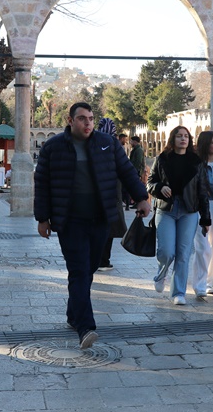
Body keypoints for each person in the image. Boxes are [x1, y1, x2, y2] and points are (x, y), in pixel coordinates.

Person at [35, 102, 150, 349]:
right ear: (70, 120)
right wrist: (42, 218)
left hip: (100, 219)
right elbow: (42, 183)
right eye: (82, 119)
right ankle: (86, 327)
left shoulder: (107, 143)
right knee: (78, 270)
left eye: (90, 118)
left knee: (88, 269)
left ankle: (73, 313)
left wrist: (141, 197)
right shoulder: (53, 147)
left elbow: (127, 171)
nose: (87, 123)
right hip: (69, 221)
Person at [149, 126, 211, 304]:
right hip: (166, 209)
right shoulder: (162, 158)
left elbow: (202, 191)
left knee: (183, 253)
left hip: (188, 211)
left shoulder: (196, 162)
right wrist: (160, 187)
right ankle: (161, 275)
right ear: (173, 139)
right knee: (167, 252)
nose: (183, 139)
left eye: (186, 136)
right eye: (179, 136)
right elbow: (150, 182)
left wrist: (205, 218)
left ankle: (178, 293)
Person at [192, 131, 213, 298]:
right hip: (201, 207)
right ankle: (199, 283)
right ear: (206, 144)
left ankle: (208, 283)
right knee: (202, 246)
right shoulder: (197, 164)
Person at [96, 118, 126, 271]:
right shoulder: (116, 147)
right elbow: (126, 172)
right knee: (109, 230)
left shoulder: (92, 144)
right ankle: (103, 260)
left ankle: (98, 259)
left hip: (95, 197)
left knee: (99, 229)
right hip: (112, 196)